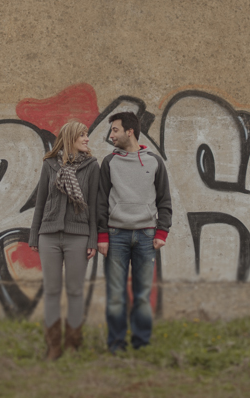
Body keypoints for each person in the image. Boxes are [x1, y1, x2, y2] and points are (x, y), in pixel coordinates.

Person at [96, 111, 172, 353]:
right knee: (116, 295)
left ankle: (141, 345)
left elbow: (165, 201)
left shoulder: (154, 161)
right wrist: (102, 236)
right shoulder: (109, 163)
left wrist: (162, 232)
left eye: (115, 130)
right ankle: (116, 345)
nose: (111, 135)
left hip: (146, 237)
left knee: (142, 295)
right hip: (116, 235)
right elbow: (100, 202)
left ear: (130, 131)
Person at [28, 120, 99, 360]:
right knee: (51, 290)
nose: (87, 139)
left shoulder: (91, 166)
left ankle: (72, 344)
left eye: (87, 135)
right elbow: (40, 201)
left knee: (76, 291)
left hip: (78, 236)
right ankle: (53, 346)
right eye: (83, 135)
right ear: (70, 138)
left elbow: (93, 205)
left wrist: (92, 239)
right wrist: (34, 234)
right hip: (48, 235)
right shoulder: (49, 164)